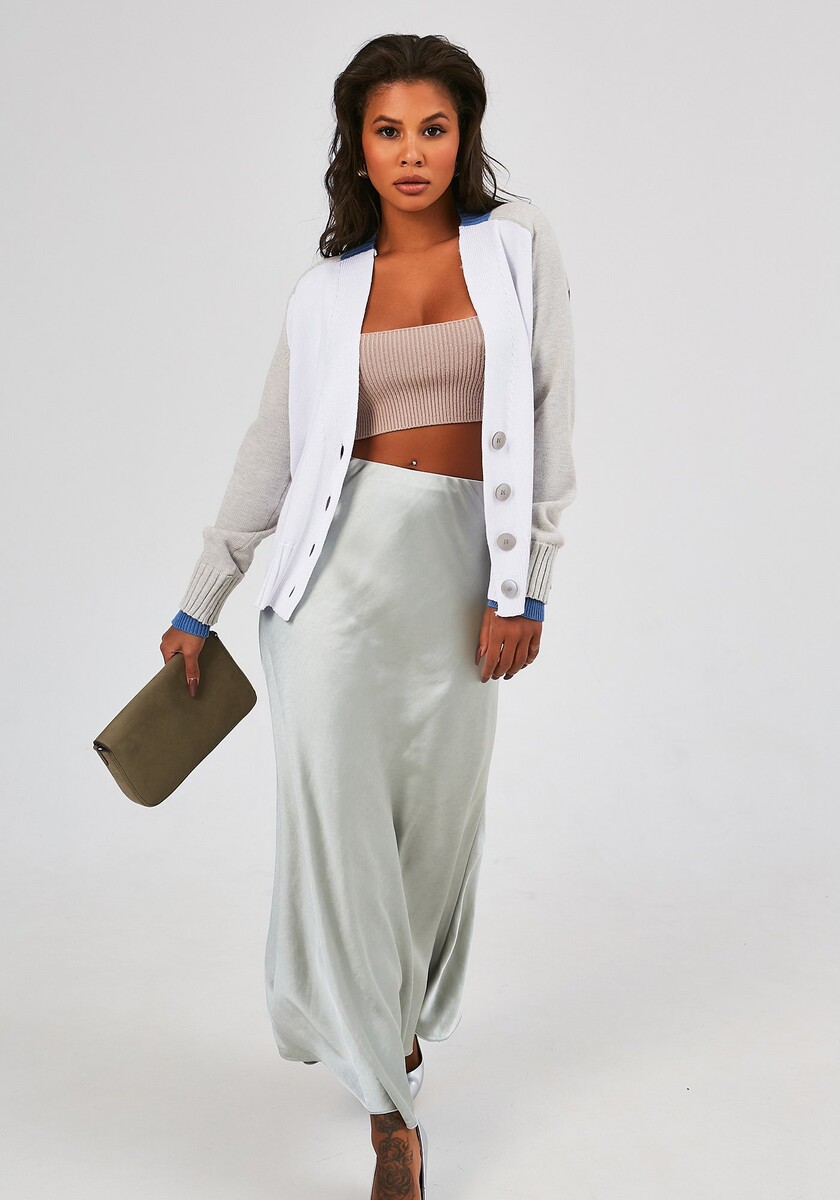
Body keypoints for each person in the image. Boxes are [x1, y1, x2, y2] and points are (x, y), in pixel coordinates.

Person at [159, 32, 576, 1200]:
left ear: (464, 135)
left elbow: (552, 414)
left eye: (433, 128)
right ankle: (393, 1118)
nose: (411, 152)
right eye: (387, 130)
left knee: (435, 840)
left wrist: (527, 588)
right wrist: (202, 601)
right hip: (330, 594)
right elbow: (273, 450)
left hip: (460, 584)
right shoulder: (326, 292)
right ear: (356, 144)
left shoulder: (519, 247)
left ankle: (391, 1025)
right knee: (344, 845)